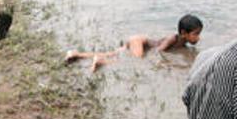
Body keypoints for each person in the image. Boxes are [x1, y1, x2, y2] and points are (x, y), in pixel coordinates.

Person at [65, 14, 203, 72]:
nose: (198, 38)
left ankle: (76, 54)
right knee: (135, 62)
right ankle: (102, 62)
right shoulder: (173, 38)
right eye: (196, 34)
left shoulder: (183, 44)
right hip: (139, 41)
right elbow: (158, 51)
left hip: (136, 41)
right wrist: (167, 64)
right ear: (184, 33)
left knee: (112, 54)